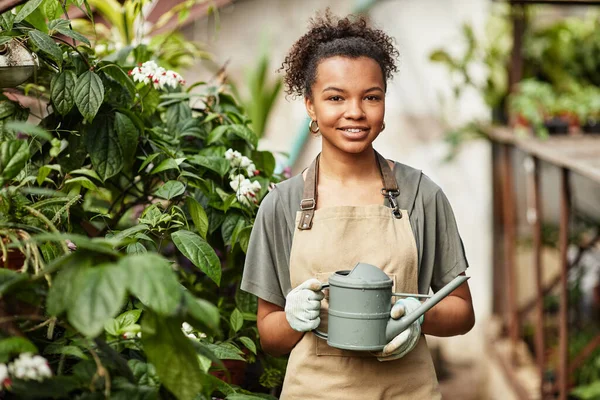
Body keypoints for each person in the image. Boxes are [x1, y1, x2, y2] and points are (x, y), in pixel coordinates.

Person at [241, 11, 475, 399]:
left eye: (371, 97)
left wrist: (415, 318)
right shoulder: (281, 205)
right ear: (311, 107)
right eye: (335, 97)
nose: (355, 112)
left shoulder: (421, 194)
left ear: (384, 105)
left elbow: (463, 311)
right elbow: (269, 335)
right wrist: (294, 317)